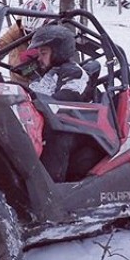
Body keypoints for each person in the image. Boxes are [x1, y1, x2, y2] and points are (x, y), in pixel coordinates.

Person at [27, 24, 89, 181]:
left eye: (44, 53)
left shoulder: (73, 71)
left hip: (72, 127)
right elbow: (26, 74)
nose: (39, 58)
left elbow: (67, 98)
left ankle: (49, 191)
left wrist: (34, 98)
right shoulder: (49, 73)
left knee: (57, 137)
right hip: (43, 121)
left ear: (58, 52)